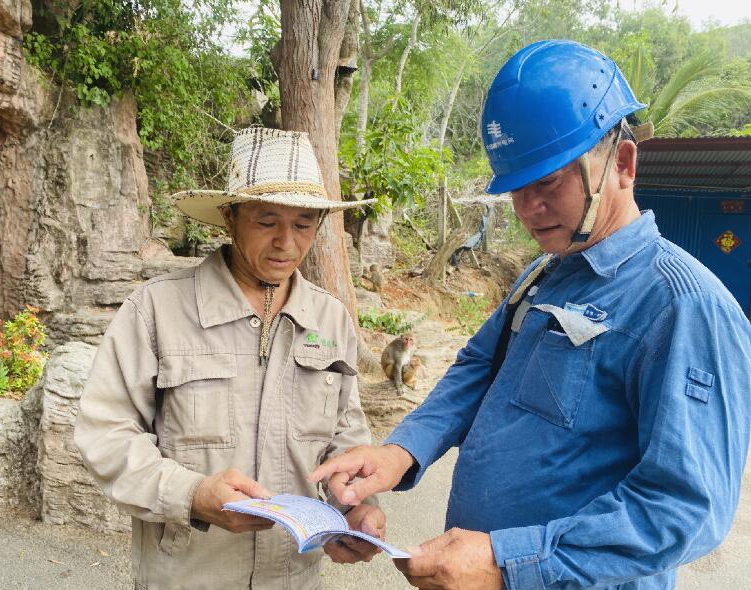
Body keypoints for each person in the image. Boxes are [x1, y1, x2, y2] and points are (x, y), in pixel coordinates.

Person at [310, 40, 751, 590]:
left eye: (547, 183)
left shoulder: (685, 307)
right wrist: (401, 451)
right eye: (516, 188)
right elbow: (476, 367)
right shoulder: (546, 273)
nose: (527, 209)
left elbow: (686, 509)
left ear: (622, 163)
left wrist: (507, 560)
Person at [74, 127, 384, 589]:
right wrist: (193, 494)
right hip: (186, 576)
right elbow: (106, 435)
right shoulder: (156, 310)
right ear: (229, 216)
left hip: (294, 579)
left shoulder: (330, 318)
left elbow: (347, 437)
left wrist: (357, 507)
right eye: (266, 220)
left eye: (303, 223)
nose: (286, 242)